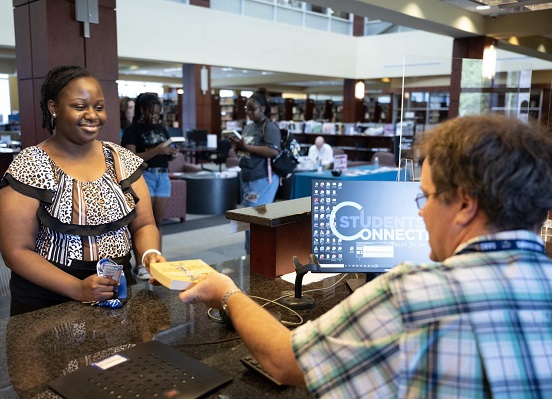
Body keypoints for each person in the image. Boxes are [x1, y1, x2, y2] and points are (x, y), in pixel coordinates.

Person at [179, 114, 552, 397]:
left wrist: (227, 292)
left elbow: (283, 360)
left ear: (466, 204)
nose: (420, 212)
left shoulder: (413, 294)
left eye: (427, 197)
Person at [0, 65, 166, 316]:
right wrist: (77, 288)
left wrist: (150, 254)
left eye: (98, 107)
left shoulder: (122, 161)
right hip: (49, 300)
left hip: (115, 292)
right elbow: (16, 251)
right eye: (79, 107)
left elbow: (144, 225)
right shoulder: (30, 166)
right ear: (53, 108)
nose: (92, 115)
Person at [121, 92, 178, 279]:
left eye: (158, 113)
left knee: (158, 222)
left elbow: (165, 151)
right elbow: (131, 158)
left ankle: (155, 261)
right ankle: (140, 264)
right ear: (142, 109)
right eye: (152, 113)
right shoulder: (132, 130)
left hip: (162, 176)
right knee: (143, 223)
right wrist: (158, 150)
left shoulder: (161, 128)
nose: (155, 117)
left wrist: (170, 153)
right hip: (144, 176)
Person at [227, 87, 280, 253]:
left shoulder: (269, 127)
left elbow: (273, 151)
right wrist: (238, 148)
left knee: (254, 218)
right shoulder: (249, 127)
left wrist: (247, 147)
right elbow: (246, 151)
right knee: (249, 217)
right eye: (246, 109)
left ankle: (257, 254)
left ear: (263, 109)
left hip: (262, 179)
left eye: (252, 109)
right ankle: (252, 255)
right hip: (247, 177)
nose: (248, 112)